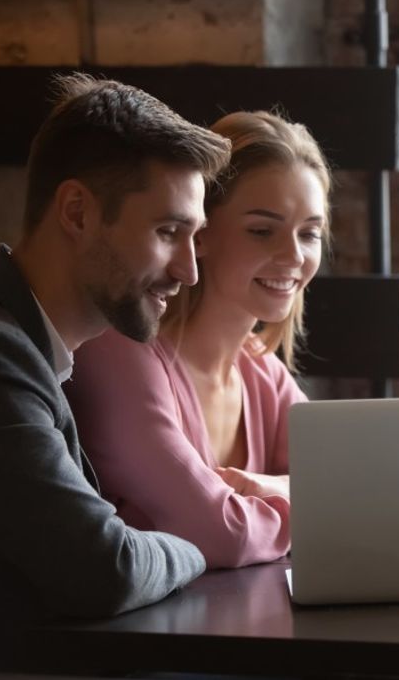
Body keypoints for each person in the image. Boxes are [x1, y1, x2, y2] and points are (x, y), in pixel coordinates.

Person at [0, 73, 231, 666]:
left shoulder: (1, 331)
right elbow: (105, 569)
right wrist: (194, 548)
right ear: (77, 212)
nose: (189, 272)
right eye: (168, 233)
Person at [64, 110, 330, 569]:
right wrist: (311, 501)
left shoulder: (264, 375)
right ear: (200, 232)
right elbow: (224, 534)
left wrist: (269, 487)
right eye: (262, 230)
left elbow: (359, 488)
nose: (293, 256)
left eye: (309, 234)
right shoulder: (123, 354)